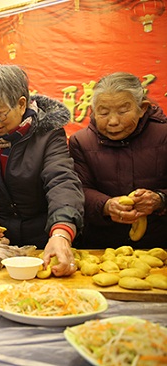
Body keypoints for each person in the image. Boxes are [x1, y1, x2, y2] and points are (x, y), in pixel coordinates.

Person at [0, 64, 84, 277]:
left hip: (44, 243)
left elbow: (61, 180)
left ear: (21, 104)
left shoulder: (48, 135)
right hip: (0, 251)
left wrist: (61, 233)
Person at [69, 72, 167, 249]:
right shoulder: (81, 142)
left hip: (160, 243)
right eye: (104, 112)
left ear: (142, 108)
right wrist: (106, 206)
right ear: (93, 111)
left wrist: (160, 199)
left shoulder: (164, 135)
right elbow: (78, 189)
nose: (113, 121)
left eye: (123, 111)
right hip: (102, 246)